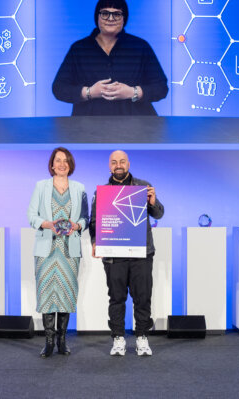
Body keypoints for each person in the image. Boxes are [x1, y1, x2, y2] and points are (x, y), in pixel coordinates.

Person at [89, 150, 164, 356]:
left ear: (128, 164)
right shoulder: (102, 192)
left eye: (122, 161)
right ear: (109, 166)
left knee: (143, 297)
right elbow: (94, 222)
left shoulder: (143, 187)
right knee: (116, 298)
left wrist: (153, 201)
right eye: (114, 162)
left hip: (141, 253)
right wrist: (95, 242)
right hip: (114, 255)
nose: (118, 165)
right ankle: (118, 338)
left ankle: (142, 337)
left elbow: (159, 214)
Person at [51, 0, 169, 116]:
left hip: (136, 123)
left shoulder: (140, 47)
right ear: (97, 17)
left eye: (117, 14)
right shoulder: (79, 49)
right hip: (87, 124)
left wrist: (132, 92)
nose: (110, 19)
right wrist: (89, 92)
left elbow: (161, 88)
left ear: (124, 19)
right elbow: (59, 88)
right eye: (105, 13)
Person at [27, 147, 88, 358]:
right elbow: (31, 216)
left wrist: (76, 226)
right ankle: (48, 342)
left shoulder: (79, 188)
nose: (62, 164)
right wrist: (48, 224)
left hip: (69, 251)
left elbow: (85, 219)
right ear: (52, 164)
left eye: (65, 160)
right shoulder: (41, 186)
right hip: (46, 249)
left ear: (70, 165)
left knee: (65, 294)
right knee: (46, 294)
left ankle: (62, 341)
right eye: (58, 160)